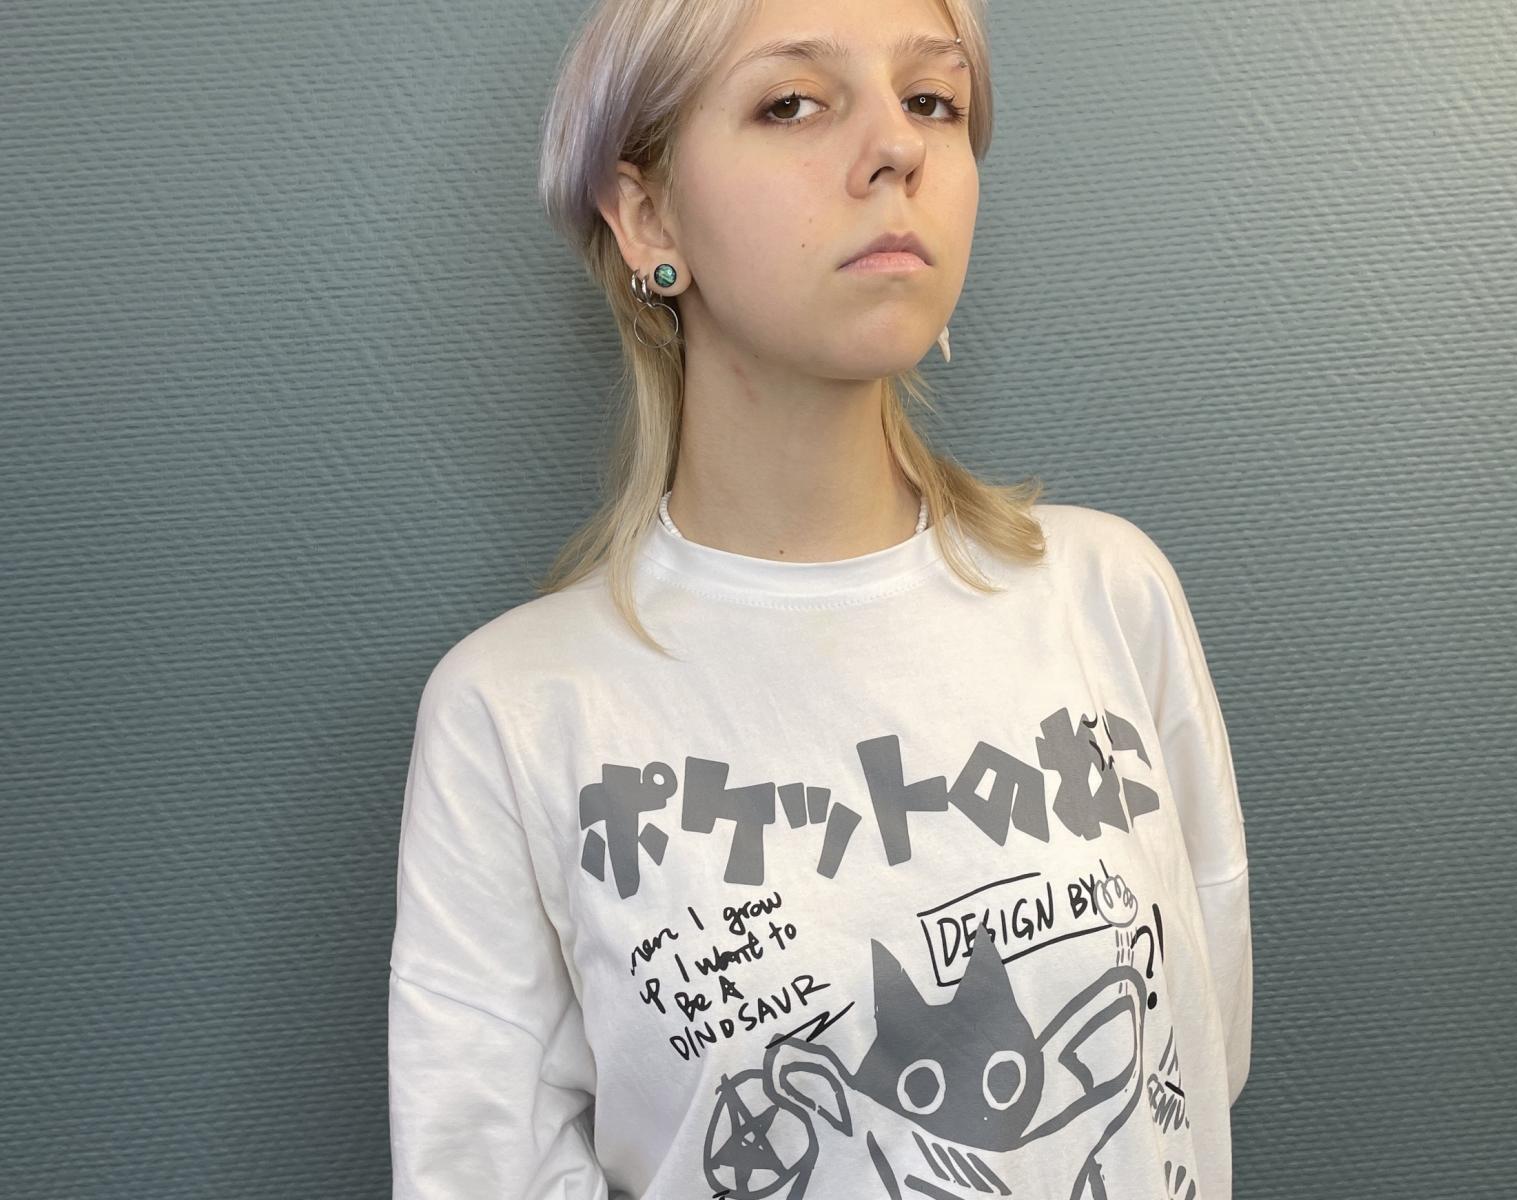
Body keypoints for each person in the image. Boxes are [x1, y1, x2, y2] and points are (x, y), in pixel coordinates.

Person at [386, 0, 1252, 1195]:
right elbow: (481, 1170)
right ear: (646, 216)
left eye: (932, 101)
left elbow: (1193, 1064)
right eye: (792, 102)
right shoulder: (518, 714)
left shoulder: (1109, 598)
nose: (895, 148)